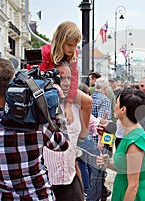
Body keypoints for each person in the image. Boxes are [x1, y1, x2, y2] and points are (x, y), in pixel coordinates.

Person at [0, 57, 68, 200]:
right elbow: (62, 144)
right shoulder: (35, 115)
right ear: (12, 84)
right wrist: (55, 111)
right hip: (39, 195)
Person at [97, 88, 145, 201]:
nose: (114, 107)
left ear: (123, 109)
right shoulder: (129, 133)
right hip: (124, 191)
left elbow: (133, 186)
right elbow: (127, 168)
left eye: (117, 104)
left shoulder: (134, 141)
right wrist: (108, 163)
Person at [43, 62, 85, 201]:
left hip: (70, 179)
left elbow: (91, 122)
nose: (66, 83)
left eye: (69, 78)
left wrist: (100, 126)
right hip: (46, 183)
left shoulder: (76, 105)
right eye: (61, 78)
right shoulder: (39, 108)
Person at [39, 21, 91, 129]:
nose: (73, 48)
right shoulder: (44, 52)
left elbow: (74, 77)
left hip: (65, 87)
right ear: (60, 41)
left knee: (88, 101)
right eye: (70, 45)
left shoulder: (74, 53)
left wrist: (69, 104)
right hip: (47, 88)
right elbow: (39, 78)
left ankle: (84, 135)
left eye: (75, 45)